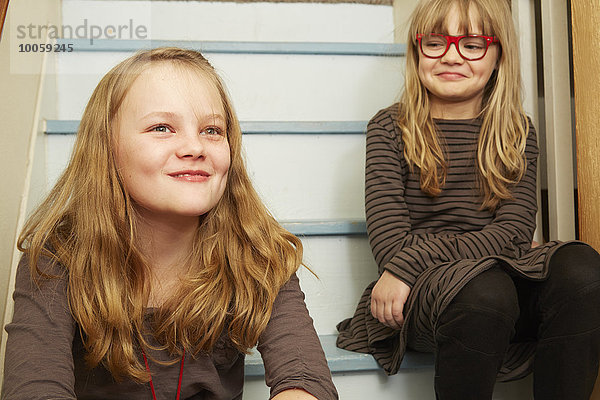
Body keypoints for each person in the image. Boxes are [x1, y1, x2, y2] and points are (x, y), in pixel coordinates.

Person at [3, 47, 338, 400]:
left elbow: (305, 381)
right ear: (108, 147)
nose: (194, 146)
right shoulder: (58, 258)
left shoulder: (257, 250)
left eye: (212, 130)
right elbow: (34, 390)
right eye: (162, 127)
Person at [336, 0, 600, 399]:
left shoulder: (516, 131)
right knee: (486, 288)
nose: (452, 56)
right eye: (436, 42)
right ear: (417, 51)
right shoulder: (390, 128)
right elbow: (391, 244)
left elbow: (512, 232)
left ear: (498, 55)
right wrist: (407, 267)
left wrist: (411, 260)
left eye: (472, 44)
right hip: (429, 293)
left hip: (491, 282)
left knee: (582, 266)